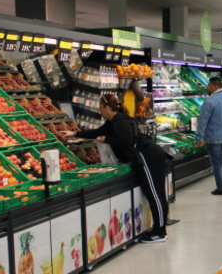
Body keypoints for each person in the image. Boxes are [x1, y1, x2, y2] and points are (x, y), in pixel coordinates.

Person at [61, 95, 169, 243]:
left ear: (107, 108)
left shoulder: (120, 120)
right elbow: (96, 133)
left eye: (100, 108)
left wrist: (107, 140)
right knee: (157, 193)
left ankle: (160, 231)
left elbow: (128, 141)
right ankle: (159, 228)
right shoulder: (112, 122)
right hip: (149, 154)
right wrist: (74, 134)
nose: (99, 111)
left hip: (147, 155)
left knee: (154, 194)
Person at [196, 77, 222, 195]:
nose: (207, 87)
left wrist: (199, 138)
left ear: (215, 86)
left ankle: (220, 188)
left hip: (214, 138)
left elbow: (202, 122)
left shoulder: (209, 101)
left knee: (217, 164)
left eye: (209, 85)